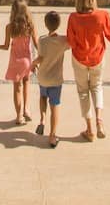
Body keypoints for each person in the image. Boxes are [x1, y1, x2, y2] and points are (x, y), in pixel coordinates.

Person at [66, 0, 110, 141]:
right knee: (97, 87)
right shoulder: (102, 15)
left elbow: (71, 41)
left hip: (79, 59)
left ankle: (89, 130)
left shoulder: (73, 18)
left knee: (83, 92)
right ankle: (99, 121)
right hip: (97, 58)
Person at [0, 0, 38, 125]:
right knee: (26, 83)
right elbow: (37, 44)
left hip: (15, 62)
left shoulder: (10, 27)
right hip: (27, 60)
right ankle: (26, 110)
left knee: (17, 89)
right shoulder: (30, 26)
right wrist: (39, 59)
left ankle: (19, 116)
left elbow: (6, 46)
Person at [32, 10, 70, 148]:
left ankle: (42, 120)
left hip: (43, 77)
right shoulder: (63, 41)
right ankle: (52, 135)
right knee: (54, 105)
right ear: (59, 24)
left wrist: (32, 64)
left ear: (45, 24)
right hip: (56, 79)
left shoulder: (42, 40)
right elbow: (73, 42)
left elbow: (40, 58)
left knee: (43, 97)